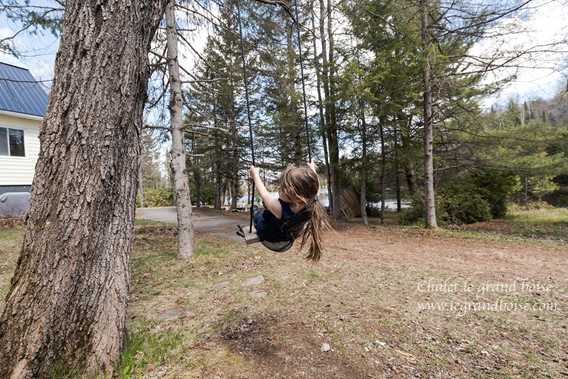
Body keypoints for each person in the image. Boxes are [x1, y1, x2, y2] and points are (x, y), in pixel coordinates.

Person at [241, 161, 331, 261]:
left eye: (283, 188)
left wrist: (255, 175)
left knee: (258, 214)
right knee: (268, 212)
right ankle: (261, 211)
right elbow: (314, 183)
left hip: (271, 238)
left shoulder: (279, 208)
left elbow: (264, 194)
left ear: (294, 195)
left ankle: (254, 210)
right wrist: (312, 169)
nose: (279, 189)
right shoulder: (310, 201)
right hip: (287, 236)